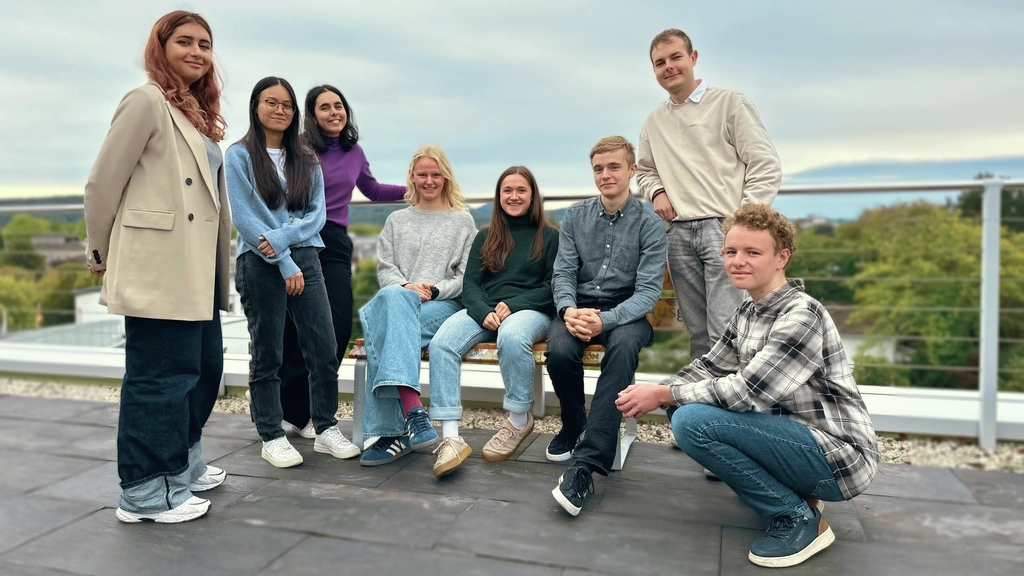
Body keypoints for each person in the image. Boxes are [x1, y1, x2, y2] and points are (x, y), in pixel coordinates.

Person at [615, 204, 879, 568]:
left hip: (838, 456)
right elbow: (708, 367)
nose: (738, 261)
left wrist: (662, 394)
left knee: (692, 421)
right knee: (683, 405)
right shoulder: (748, 311)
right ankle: (796, 494)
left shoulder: (802, 315)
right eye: (731, 251)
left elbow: (747, 392)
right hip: (796, 438)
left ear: (781, 257)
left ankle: (799, 518)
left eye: (753, 252)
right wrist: (655, 391)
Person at [84, 10, 230, 523]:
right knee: (159, 377)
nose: (196, 51)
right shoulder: (145, 101)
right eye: (184, 41)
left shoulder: (192, 112)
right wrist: (101, 253)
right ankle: (144, 491)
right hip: (160, 263)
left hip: (198, 268)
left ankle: (181, 461)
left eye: (205, 44)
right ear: (160, 47)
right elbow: (104, 183)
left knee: (203, 368)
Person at [226, 76, 359, 468]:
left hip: (306, 258)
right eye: (272, 102)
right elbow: (246, 218)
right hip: (261, 262)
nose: (280, 110)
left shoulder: (306, 157)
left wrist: (287, 243)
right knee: (268, 351)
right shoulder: (239, 156)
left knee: (322, 344)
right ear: (256, 106)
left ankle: (325, 426)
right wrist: (283, 260)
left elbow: (316, 215)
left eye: (287, 105)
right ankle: (271, 433)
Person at [636, 28, 782, 362]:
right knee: (699, 334)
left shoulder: (730, 103)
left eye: (676, 57)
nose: (669, 66)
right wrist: (657, 192)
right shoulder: (654, 121)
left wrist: (743, 223)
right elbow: (644, 170)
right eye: (660, 62)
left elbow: (765, 165)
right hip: (680, 233)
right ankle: (703, 410)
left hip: (724, 228)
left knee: (726, 329)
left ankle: (732, 410)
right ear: (654, 70)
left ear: (693, 58)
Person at [273, 85, 408, 438]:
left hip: (332, 239)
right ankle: (295, 413)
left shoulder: (353, 151)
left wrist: (419, 189)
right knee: (294, 328)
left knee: (336, 326)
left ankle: (319, 411)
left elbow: (373, 190)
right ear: (312, 115)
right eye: (325, 108)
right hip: (299, 237)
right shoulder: (298, 149)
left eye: (339, 106)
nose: (334, 112)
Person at [548, 136, 667, 515]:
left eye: (614, 167)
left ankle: (586, 465)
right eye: (598, 168)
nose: (605, 175)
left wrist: (606, 318)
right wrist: (568, 310)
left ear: (632, 171)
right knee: (560, 350)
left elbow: (648, 292)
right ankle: (573, 422)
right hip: (580, 308)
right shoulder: (576, 216)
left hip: (627, 312)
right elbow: (563, 272)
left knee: (621, 351)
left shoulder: (649, 223)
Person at [427, 166, 559, 478]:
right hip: (486, 310)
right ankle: (450, 436)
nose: (514, 196)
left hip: (531, 311)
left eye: (521, 190)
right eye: (507, 191)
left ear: (532, 195)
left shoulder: (550, 236)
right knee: (442, 343)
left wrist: (512, 305)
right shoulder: (485, 236)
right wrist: (483, 310)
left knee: (512, 336)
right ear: (499, 197)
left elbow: (552, 287)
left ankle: (518, 418)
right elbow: (470, 284)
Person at [357, 145, 478, 467]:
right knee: (395, 302)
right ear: (412, 177)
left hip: (443, 305)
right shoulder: (397, 220)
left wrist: (435, 290)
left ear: (445, 177)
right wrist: (408, 288)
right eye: (422, 174)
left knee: (385, 327)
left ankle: (392, 433)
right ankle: (414, 415)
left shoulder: (462, 221)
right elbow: (386, 270)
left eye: (435, 174)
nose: (429, 181)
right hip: (403, 300)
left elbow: (466, 278)